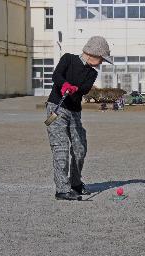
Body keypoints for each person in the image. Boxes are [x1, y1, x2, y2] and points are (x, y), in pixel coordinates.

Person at [46, 36, 112, 201]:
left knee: (80, 148)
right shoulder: (68, 58)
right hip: (56, 107)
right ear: (92, 53)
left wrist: (75, 89)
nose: (102, 62)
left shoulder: (92, 73)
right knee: (61, 148)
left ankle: (75, 183)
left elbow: (84, 89)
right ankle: (62, 189)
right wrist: (64, 85)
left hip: (75, 112)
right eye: (101, 59)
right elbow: (56, 76)